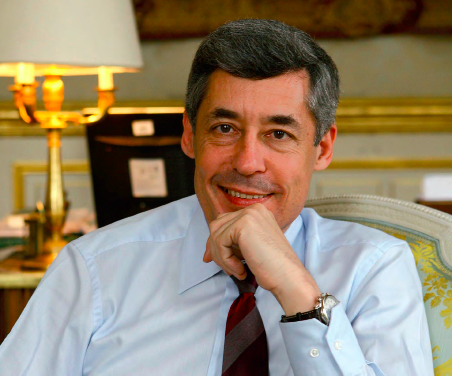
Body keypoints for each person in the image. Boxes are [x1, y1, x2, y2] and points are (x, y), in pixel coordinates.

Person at [0, 19, 433, 376]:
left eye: (278, 134)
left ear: (321, 148)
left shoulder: (376, 267)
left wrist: (298, 293)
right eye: (224, 129)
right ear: (189, 135)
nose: (247, 163)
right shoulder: (93, 269)